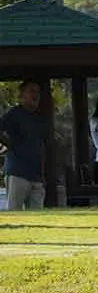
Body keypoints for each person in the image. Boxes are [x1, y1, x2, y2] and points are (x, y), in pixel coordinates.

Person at [0, 79, 50, 210]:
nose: (36, 95)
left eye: (38, 92)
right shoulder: (14, 114)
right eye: (31, 91)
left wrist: (43, 173)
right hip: (17, 173)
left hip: (36, 176)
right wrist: (10, 144)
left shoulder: (40, 118)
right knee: (14, 212)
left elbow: (42, 145)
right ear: (22, 96)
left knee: (38, 215)